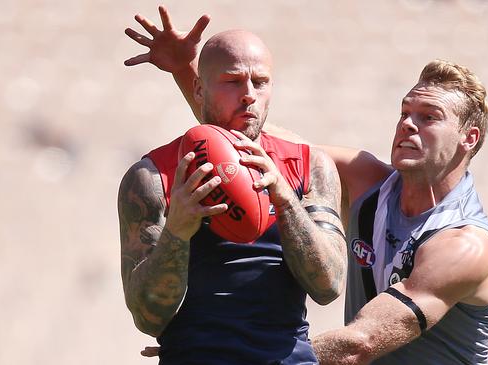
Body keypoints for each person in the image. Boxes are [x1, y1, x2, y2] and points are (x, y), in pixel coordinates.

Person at [125, 7, 488, 364]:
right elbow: (238, 143)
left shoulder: (464, 246)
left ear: (468, 138)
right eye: (405, 113)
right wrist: (186, 70)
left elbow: (361, 343)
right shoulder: (369, 181)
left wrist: (237, 348)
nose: (408, 124)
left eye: (428, 117)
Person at [118, 6, 347, 364]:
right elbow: (147, 317)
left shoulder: (309, 165)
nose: (249, 94)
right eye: (233, 80)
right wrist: (177, 230)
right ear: (198, 87)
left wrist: (285, 201)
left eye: (261, 82)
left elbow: (329, 287)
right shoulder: (153, 176)